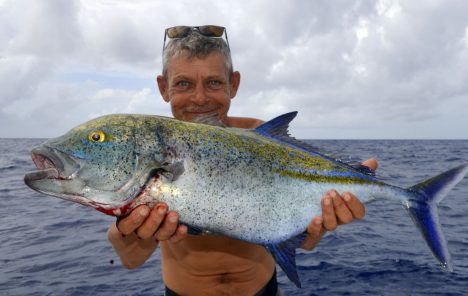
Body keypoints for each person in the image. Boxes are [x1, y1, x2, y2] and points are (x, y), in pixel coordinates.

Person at [107, 26, 378, 296]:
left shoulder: (263, 139)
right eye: (183, 84)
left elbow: (305, 241)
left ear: (233, 84)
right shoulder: (153, 150)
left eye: (214, 82)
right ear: (163, 88)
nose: (200, 98)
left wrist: (323, 220)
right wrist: (131, 230)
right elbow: (132, 259)